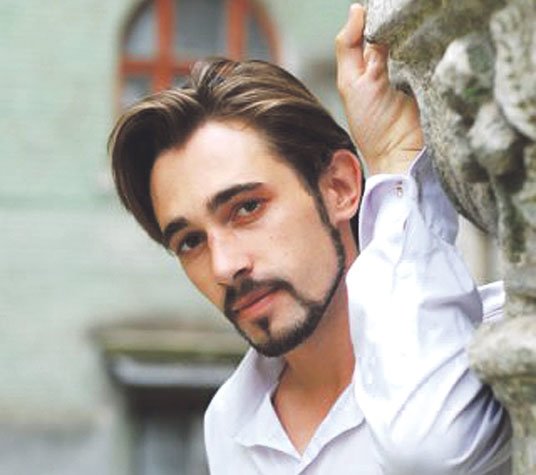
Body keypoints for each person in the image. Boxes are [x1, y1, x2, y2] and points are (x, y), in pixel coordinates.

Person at [108, 4, 511, 474]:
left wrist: (396, 166)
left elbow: (430, 449)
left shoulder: (495, 347)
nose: (224, 266)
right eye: (190, 241)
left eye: (247, 208)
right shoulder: (230, 423)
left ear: (339, 187)